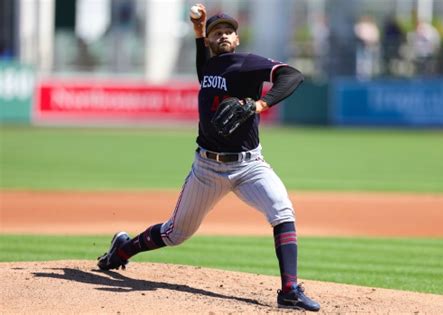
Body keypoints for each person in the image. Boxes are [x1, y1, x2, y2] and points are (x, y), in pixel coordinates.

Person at [97, 3, 320, 312]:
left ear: (237, 39)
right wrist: (198, 30)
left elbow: (292, 75)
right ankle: (122, 249)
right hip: (207, 168)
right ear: (210, 41)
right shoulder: (208, 68)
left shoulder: (248, 63)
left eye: (229, 31)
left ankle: (290, 290)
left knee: (282, 210)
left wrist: (259, 105)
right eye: (218, 33)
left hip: (249, 165)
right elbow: (203, 57)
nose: (224, 35)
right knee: (175, 234)